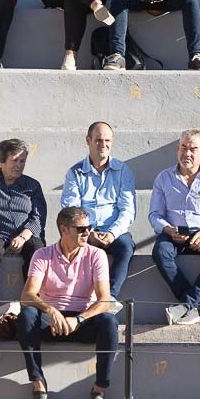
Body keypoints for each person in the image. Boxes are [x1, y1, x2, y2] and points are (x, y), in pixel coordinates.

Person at [17, 207, 118, 399]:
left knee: (109, 322)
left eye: (89, 227)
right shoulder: (42, 255)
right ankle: (37, 380)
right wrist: (50, 310)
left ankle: (100, 387)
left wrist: (79, 319)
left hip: (82, 319)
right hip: (50, 321)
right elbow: (27, 295)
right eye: (81, 229)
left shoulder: (96, 255)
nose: (88, 232)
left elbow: (104, 300)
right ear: (64, 230)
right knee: (27, 315)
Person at [149, 130, 200, 325]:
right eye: (183, 148)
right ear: (177, 149)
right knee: (160, 251)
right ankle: (192, 307)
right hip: (173, 232)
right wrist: (168, 229)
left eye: (193, 149)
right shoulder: (163, 178)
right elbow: (155, 215)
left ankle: (186, 305)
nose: (187, 153)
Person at [60, 121, 136, 304]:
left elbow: (128, 210)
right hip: (86, 231)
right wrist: (89, 233)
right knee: (73, 245)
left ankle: (109, 298)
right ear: (88, 140)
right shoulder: (75, 172)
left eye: (107, 140)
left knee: (126, 246)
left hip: (113, 230)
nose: (104, 145)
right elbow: (71, 210)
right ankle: (79, 298)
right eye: (98, 140)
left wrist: (112, 233)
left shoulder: (123, 171)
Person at [0, 138, 47, 277]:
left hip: (27, 235)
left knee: (37, 251)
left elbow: (38, 218)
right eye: (14, 160)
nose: (19, 165)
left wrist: (22, 237)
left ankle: (33, 296)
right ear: (1, 161)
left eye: (22, 161)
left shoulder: (32, 185)